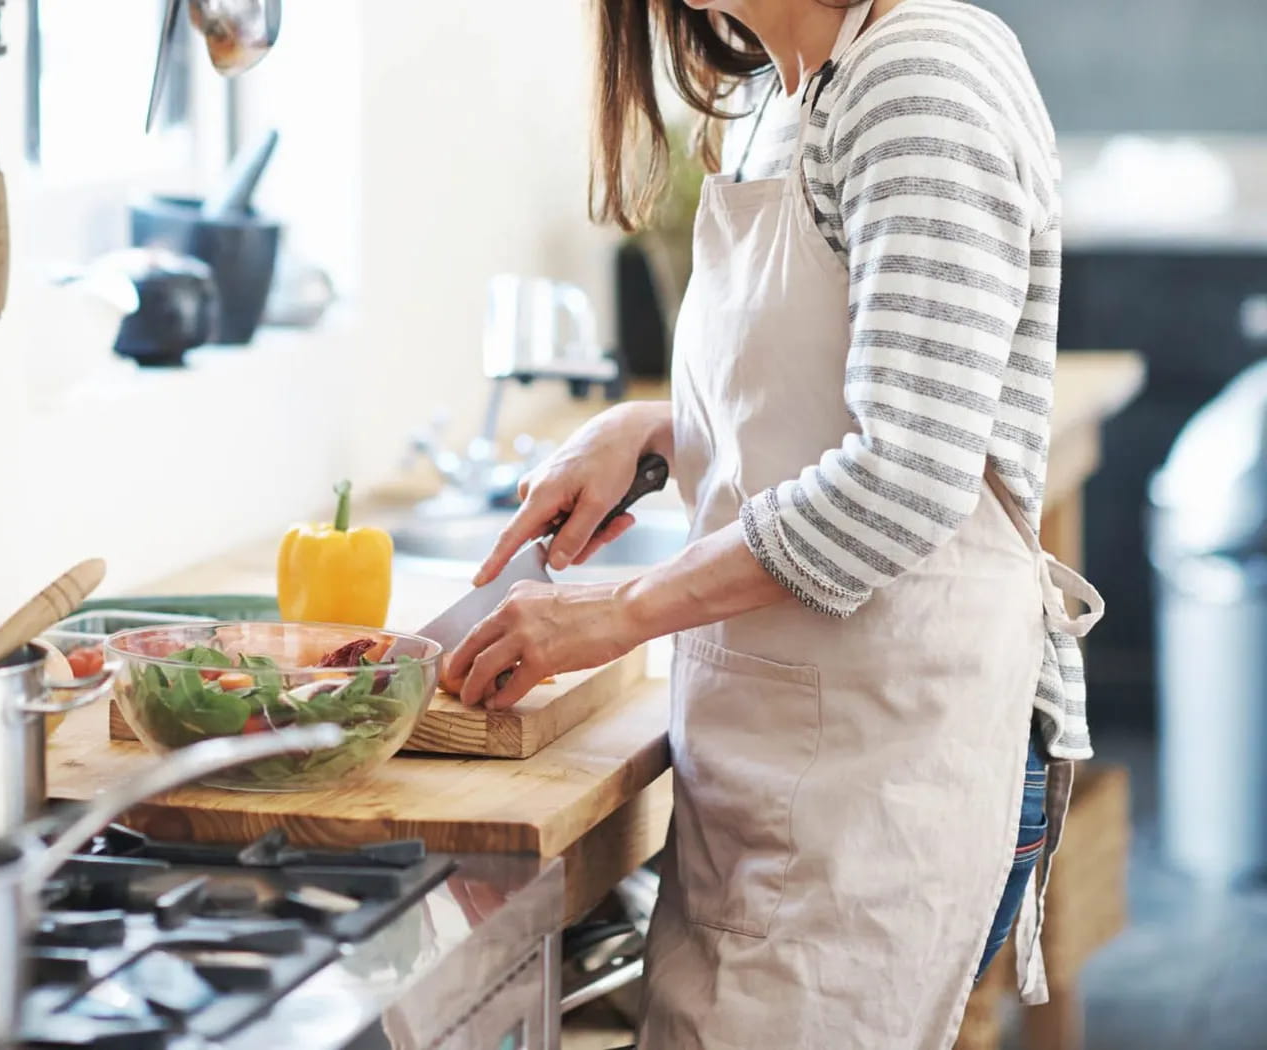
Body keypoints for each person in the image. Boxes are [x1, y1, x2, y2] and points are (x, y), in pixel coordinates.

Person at [438, 0, 1103, 1045]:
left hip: (885, 775)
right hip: (771, 761)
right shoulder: (769, 98)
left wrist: (623, 610)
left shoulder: (918, 77)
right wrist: (657, 431)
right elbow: (821, 393)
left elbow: (906, 475)